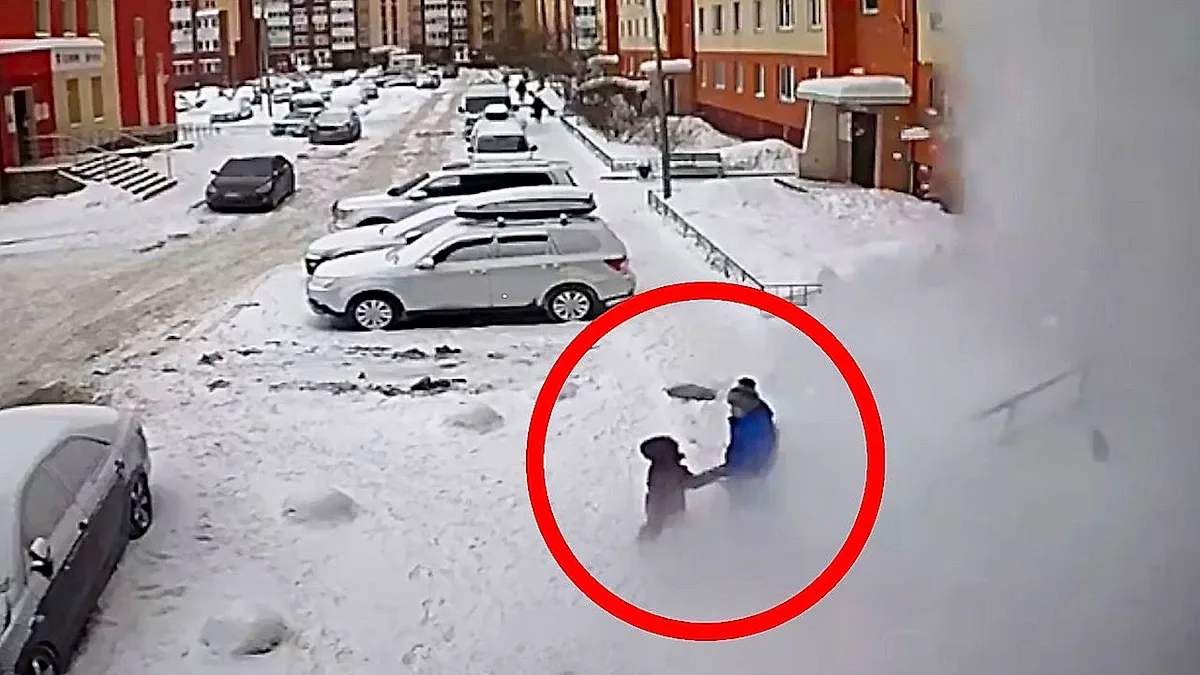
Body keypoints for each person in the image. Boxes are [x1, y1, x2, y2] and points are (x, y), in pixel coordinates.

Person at [638, 435, 722, 541]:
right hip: (669, 516)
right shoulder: (671, 470)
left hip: (656, 514)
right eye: (674, 449)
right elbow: (693, 482)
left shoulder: (657, 469)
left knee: (653, 535)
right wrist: (716, 473)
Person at [718, 378, 779, 507]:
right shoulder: (748, 418)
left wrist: (736, 472)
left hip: (750, 478)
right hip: (744, 476)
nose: (731, 410)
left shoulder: (754, 423)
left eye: (734, 406)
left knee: (748, 511)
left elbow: (758, 452)